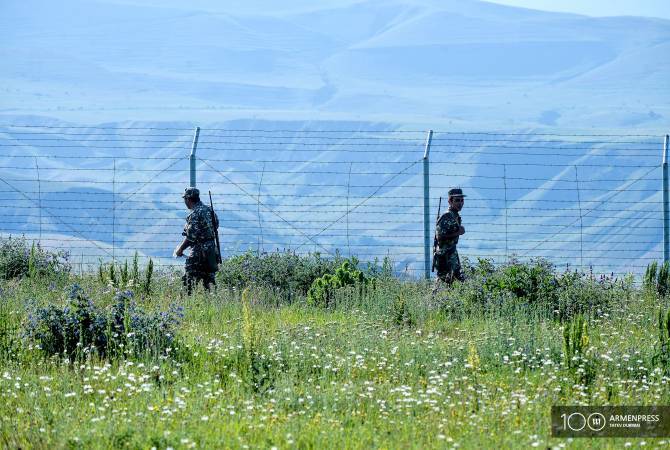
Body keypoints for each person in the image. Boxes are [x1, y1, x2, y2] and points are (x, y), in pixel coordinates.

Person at [173, 187, 219, 294]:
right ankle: (212, 300)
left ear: (188, 199)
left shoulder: (195, 214)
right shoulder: (209, 210)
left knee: (188, 282)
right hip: (211, 251)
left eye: (185, 199)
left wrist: (180, 249)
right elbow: (216, 226)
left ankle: (186, 302)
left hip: (199, 252)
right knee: (209, 282)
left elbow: (191, 237)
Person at [434, 188, 466, 286]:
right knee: (446, 282)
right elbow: (439, 237)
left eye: (462, 200)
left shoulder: (455, 215)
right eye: (457, 200)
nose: (460, 203)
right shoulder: (446, 216)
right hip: (444, 256)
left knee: (456, 282)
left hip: (452, 253)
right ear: (450, 201)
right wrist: (458, 232)